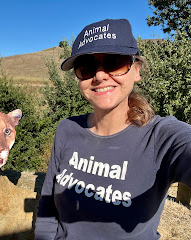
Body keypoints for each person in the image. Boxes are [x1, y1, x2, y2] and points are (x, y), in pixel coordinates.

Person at [34, 18, 191, 240]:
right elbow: (48, 207)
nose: (98, 76)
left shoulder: (162, 137)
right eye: (86, 67)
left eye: (114, 62)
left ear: (136, 70)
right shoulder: (67, 129)